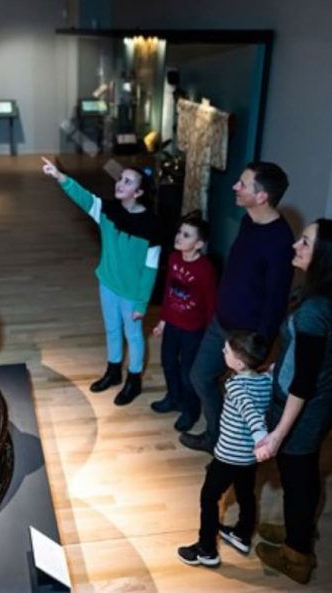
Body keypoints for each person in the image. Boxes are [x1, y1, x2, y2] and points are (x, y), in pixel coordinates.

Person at [253, 218, 332, 584]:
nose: (295, 247)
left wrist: (277, 435)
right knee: (300, 477)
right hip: (308, 402)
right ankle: (296, 531)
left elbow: (303, 382)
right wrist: (275, 367)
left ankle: (297, 554)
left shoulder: (315, 312)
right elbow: (300, 357)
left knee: (299, 480)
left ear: (325, 259)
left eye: (305, 243)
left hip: (304, 411)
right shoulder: (323, 296)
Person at [180, 162, 294, 452]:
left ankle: (223, 443)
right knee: (200, 375)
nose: (235, 186)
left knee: (240, 397)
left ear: (262, 197)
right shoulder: (247, 221)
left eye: (243, 184)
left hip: (244, 335)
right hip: (221, 322)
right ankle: (215, 435)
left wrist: (259, 348)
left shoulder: (281, 241)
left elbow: (276, 300)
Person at [42, 157, 160, 405]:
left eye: (128, 182)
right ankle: (113, 371)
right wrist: (60, 176)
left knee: (134, 336)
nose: (120, 183)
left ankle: (134, 380)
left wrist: (141, 303)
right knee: (112, 330)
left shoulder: (152, 226)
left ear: (138, 192)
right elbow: (84, 198)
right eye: (120, 179)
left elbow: (151, 269)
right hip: (106, 283)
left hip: (131, 294)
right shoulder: (108, 209)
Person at [177, 330, 273, 568]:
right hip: (248, 458)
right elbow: (269, 382)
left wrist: (261, 436)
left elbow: (251, 414)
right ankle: (242, 534)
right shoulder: (265, 381)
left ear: (239, 363)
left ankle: (206, 549)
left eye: (227, 351)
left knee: (209, 497)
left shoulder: (237, 387)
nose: (222, 352)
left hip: (228, 456)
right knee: (246, 494)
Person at [151, 211, 217, 431]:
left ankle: (191, 410)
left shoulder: (205, 269)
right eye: (180, 232)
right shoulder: (173, 258)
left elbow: (211, 303)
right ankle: (173, 398)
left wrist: (209, 333)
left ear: (199, 244)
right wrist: (163, 320)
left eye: (186, 235)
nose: (179, 237)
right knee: (168, 363)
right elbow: (169, 291)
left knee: (187, 371)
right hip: (172, 325)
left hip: (193, 330)